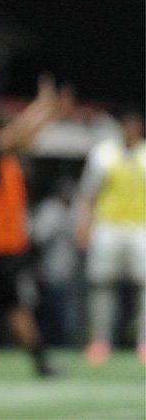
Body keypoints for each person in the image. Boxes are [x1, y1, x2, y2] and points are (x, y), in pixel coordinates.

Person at [0, 75, 72, 378]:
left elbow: (28, 135)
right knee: (15, 307)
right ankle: (41, 362)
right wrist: (43, 103)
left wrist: (51, 113)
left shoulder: (0, 159)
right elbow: (20, 132)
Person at [74, 108, 146, 364]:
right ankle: (100, 340)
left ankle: (143, 341)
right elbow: (89, 193)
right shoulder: (103, 154)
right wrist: (84, 225)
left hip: (140, 228)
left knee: (144, 287)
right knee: (102, 285)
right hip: (108, 227)